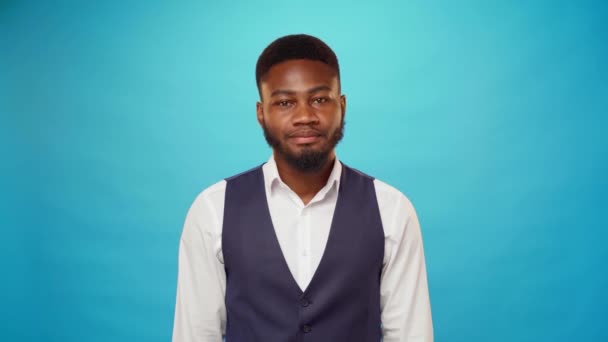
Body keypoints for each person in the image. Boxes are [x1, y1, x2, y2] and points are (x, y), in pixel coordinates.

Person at [172, 34, 433, 342]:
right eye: (285, 102)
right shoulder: (213, 210)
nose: (305, 116)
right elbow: (196, 335)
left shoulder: (391, 209)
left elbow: (410, 335)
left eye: (320, 99)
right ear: (261, 113)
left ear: (342, 106)